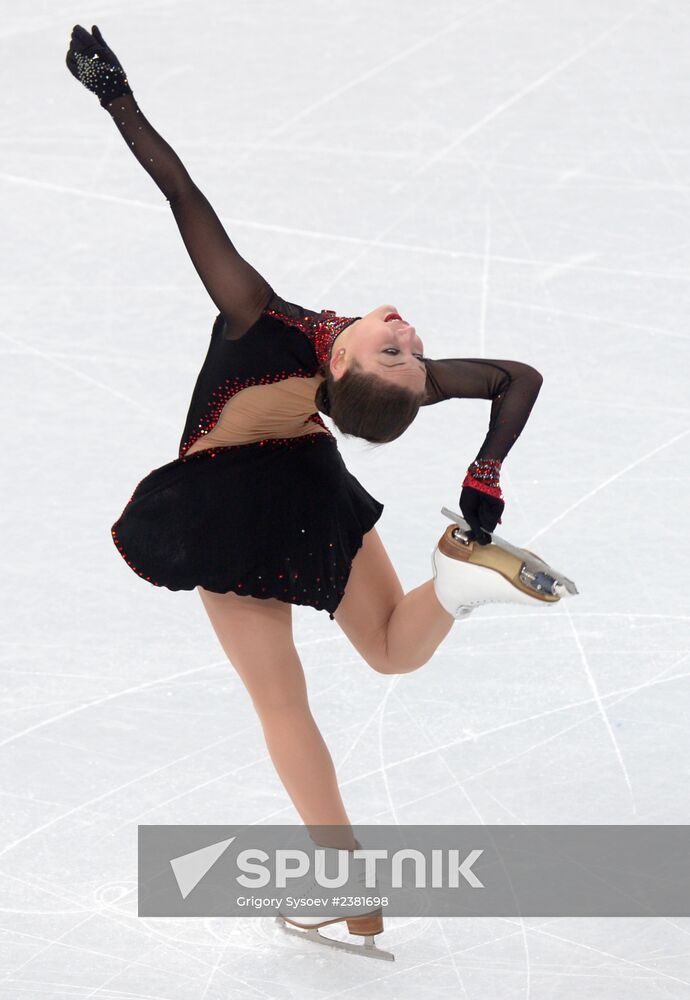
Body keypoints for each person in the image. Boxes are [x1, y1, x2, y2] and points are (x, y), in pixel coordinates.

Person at [65, 24, 574, 960]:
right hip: (308, 480)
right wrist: (483, 474)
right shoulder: (351, 373)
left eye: (401, 351)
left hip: (228, 504)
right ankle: (456, 583)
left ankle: (352, 893)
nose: (412, 337)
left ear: (341, 364)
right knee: (387, 648)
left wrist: (115, 97)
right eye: (412, 351)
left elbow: (186, 197)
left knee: (281, 703)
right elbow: (517, 379)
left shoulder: (260, 315)